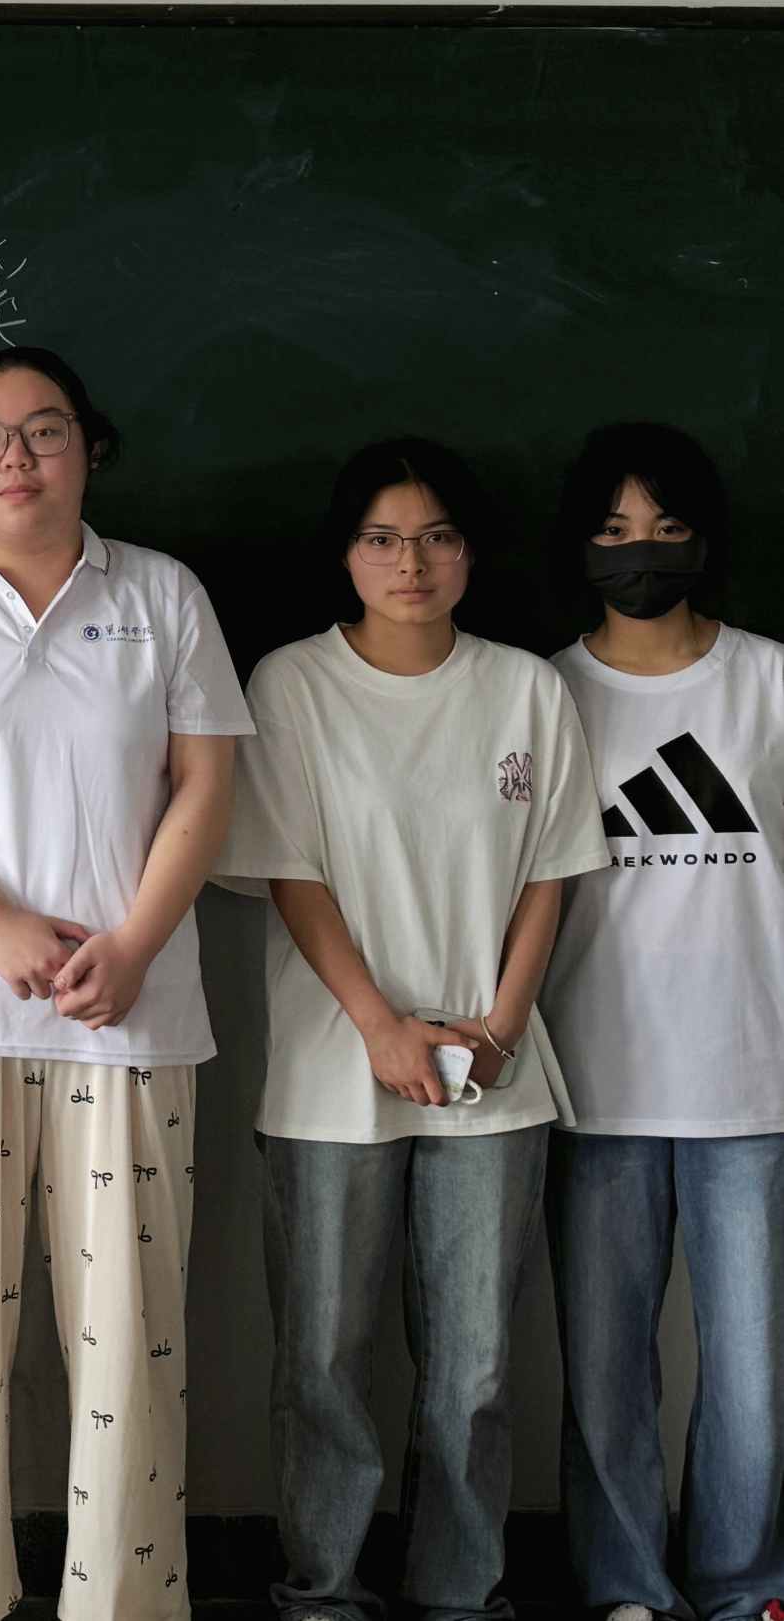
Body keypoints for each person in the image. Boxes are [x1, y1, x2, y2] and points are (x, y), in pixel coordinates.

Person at [0, 345, 246, 1621]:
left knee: (128, 1343)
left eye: (44, 430)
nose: (15, 457)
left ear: (89, 448)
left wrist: (130, 945)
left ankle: (117, 1603)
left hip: (128, 1015)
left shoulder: (162, 594)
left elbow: (207, 783)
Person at [218, 436, 607, 1621]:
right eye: (381, 539)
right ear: (344, 554)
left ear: (469, 554)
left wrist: (501, 1023)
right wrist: (381, 1024)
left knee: (475, 1368)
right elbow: (289, 869)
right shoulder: (291, 685)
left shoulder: (525, 688)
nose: (410, 563)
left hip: (495, 1072)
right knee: (323, 1359)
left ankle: (458, 1595)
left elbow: (549, 870)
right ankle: (324, 1592)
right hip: (334, 1070)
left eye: (436, 538)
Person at [541, 424, 784, 1621]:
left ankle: (742, 1590)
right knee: (604, 1374)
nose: (640, 551)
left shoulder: (770, 681)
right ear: (580, 546)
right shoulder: (542, 692)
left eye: (665, 527)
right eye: (614, 530)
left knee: (754, 1373)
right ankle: (624, 1590)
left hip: (756, 1076)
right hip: (595, 1077)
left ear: (704, 538)